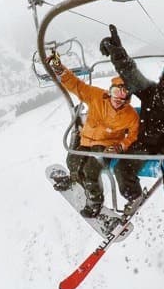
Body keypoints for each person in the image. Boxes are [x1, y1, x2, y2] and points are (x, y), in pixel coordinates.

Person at [99, 25, 164, 206]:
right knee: (123, 167)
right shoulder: (150, 91)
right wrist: (118, 52)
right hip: (146, 143)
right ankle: (134, 196)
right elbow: (131, 73)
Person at [47, 55, 140, 217]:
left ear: (128, 97)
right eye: (115, 92)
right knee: (72, 162)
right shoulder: (96, 96)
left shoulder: (130, 115)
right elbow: (76, 85)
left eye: (123, 94)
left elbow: (133, 135)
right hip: (86, 139)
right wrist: (59, 68)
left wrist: (120, 146)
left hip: (106, 145)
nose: (118, 98)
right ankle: (76, 179)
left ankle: (95, 201)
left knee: (91, 170)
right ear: (110, 91)